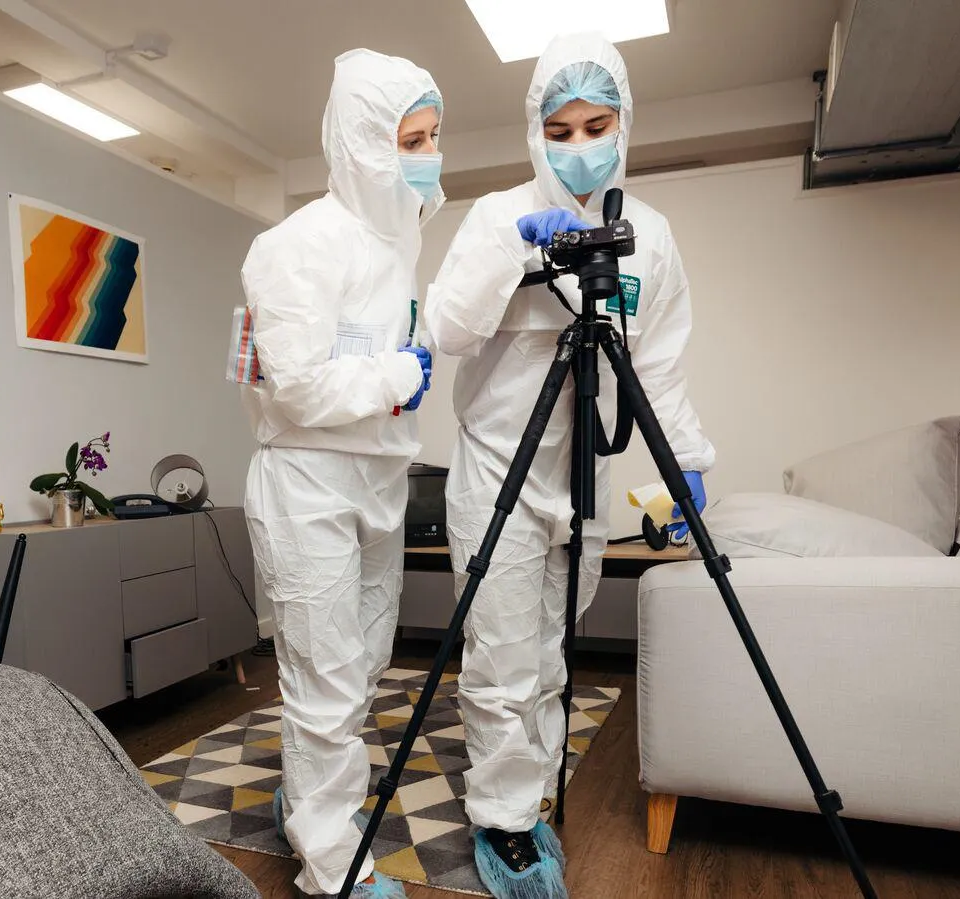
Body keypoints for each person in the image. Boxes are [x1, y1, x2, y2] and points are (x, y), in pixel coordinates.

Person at [423, 32, 714, 899]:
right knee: (504, 656)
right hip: (498, 471)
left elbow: (657, 362)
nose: (581, 144)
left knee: (553, 651)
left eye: (599, 124)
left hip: (581, 475)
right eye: (562, 128)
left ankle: (534, 787)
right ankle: (505, 823)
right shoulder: (494, 216)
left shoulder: (649, 236)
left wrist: (683, 464)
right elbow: (445, 327)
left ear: (628, 124)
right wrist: (516, 249)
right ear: (534, 131)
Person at [240, 48, 446, 899]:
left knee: (361, 662)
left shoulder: (399, 242)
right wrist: (400, 377)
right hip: (309, 484)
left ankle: (316, 790)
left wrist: (415, 362)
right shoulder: (292, 247)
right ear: (362, 144)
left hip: (378, 483)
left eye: (435, 136)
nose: (429, 155)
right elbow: (296, 382)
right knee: (323, 677)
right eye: (411, 139)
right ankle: (330, 859)